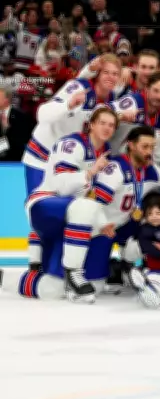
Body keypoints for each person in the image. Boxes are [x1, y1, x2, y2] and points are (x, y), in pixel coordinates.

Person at [22, 125, 160, 303]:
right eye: (145, 147)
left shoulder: (151, 170)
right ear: (131, 145)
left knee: (97, 286)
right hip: (92, 232)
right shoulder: (115, 169)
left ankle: (124, 268)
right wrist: (102, 223)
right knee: (51, 290)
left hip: (113, 232)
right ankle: (17, 279)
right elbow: (93, 201)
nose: (149, 152)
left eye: (152, 147)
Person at [24, 107, 118, 275]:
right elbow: (61, 185)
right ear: (91, 125)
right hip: (47, 200)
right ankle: (72, 272)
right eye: (102, 123)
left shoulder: (105, 151)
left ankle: (39, 263)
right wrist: (90, 172)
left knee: (53, 278)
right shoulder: (73, 144)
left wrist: (102, 222)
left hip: (73, 210)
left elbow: (92, 194)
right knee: (83, 208)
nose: (107, 128)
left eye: (111, 125)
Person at [21, 53, 122, 194]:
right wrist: (68, 105)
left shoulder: (111, 99)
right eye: (106, 72)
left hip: (69, 164)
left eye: (115, 74)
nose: (111, 77)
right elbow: (42, 114)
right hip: (42, 158)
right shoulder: (78, 87)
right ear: (97, 74)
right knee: (41, 204)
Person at [111, 72, 160, 148]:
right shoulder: (133, 102)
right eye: (155, 91)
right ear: (147, 88)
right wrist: (121, 116)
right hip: (115, 151)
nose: (159, 96)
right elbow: (101, 111)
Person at [0, 86, 32, 162]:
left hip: (14, 159)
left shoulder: (21, 116)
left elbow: (24, 139)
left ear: (7, 99)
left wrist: (8, 129)